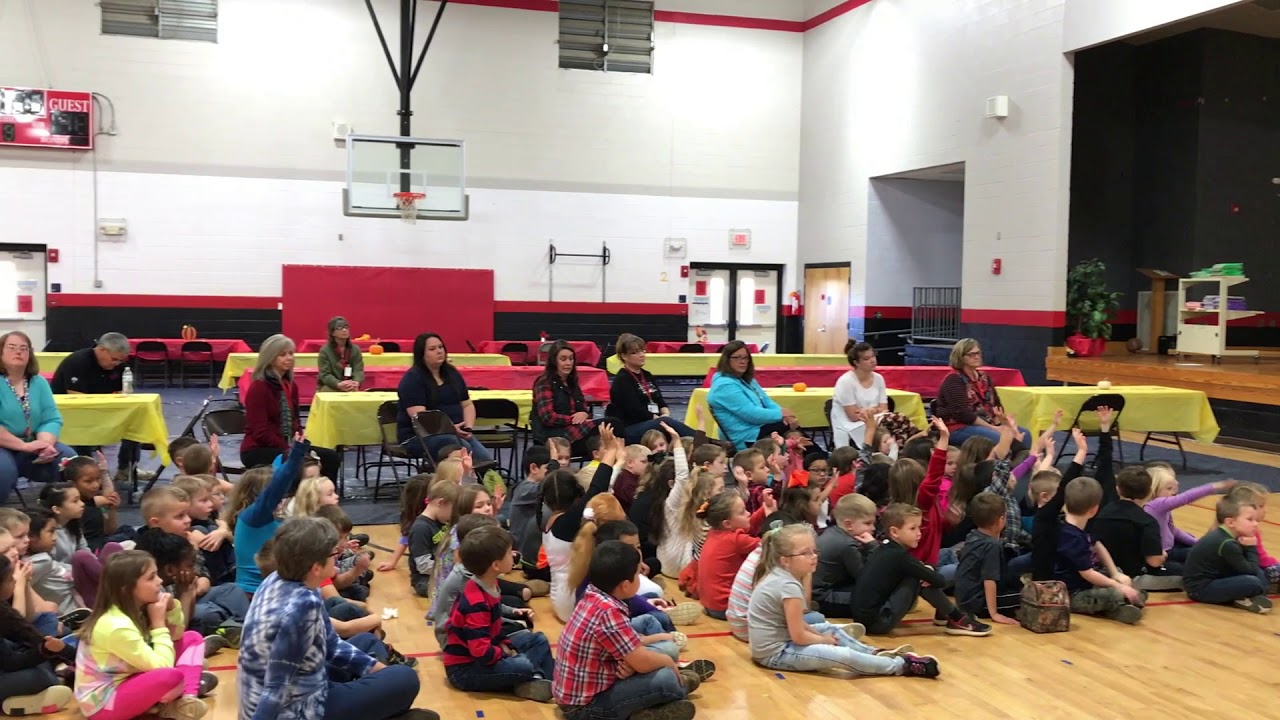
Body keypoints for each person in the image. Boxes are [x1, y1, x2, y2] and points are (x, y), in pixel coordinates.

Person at [237, 517, 437, 720]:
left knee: (368, 642)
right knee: (406, 678)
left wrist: (380, 673)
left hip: (305, 686)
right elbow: (276, 686)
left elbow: (331, 645)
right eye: (334, 552)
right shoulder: (299, 608)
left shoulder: (284, 580)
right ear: (316, 567)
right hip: (299, 709)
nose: (338, 555)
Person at [747, 524, 938, 679]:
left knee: (833, 629)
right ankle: (901, 665)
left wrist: (823, 635)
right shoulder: (788, 585)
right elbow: (798, 636)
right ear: (785, 560)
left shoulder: (783, 576)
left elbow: (799, 624)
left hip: (785, 640)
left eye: (814, 551)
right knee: (841, 656)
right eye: (805, 553)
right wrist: (824, 641)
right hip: (776, 654)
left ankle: (874, 653)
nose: (814, 557)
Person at [553, 541, 701, 720]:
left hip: (588, 687)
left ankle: (648, 708)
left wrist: (634, 664)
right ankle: (675, 688)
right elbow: (643, 661)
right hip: (584, 708)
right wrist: (668, 663)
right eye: (638, 574)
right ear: (624, 585)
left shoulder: (594, 594)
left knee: (663, 651)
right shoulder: (609, 612)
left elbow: (628, 649)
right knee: (666, 677)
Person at [73, 551, 208, 720]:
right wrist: (158, 624)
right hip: (104, 703)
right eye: (151, 578)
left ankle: (186, 699)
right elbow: (162, 667)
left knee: (192, 639)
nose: (160, 581)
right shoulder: (114, 625)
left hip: (132, 677)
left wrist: (172, 608)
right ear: (127, 589)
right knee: (171, 676)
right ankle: (177, 693)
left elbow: (177, 635)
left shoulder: (140, 607)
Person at [443, 525, 552, 701]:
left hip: (486, 651)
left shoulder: (490, 584)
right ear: (495, 565)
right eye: (509, 553)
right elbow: (480, 651)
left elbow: (494, 628)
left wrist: (505, 642)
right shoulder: (475, 601)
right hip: (465, 669)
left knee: (538, 640)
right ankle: (532, 678)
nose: (514, 555)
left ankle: (538, 680)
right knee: (522, 665)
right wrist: (506, 653)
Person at [850, 503, 991, 637]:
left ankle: (946, 613)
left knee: (918, 574)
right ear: (894, 532)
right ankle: (957, 618)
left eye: (919, 528)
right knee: (917, 578)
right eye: (913, 528)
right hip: (878, 623)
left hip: (864, 620)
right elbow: (939, 581)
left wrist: (924, 569)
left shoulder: (884, 548)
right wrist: (926, 570)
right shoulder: (900, 556)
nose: (919, 533)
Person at [49, 333, 152, 484]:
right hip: (71, 415)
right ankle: (87, 473)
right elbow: (76, 400)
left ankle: (126, 468)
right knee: (83, 430)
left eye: (120, 360)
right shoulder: (77, 362)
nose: (116, 363)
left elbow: (122, 393)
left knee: (135, 423)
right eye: (114, 359)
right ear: (102, 350)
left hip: (101, 410)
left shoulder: (120, 365)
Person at [240, 335, 340, 481]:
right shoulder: (259, 387)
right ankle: (299, 498)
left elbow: (296, 421)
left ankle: (322, 498)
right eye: (282, 355)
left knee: (330, 458)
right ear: (270, 358)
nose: (289, 358)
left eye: (291, 353)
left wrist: (299, 440)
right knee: (301, 463)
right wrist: (290, 449)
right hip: (259, 448)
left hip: (286, 444)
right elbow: (260, 432)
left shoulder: (291, 385)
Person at [1051, 476, 1147, 624]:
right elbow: (1087, 573)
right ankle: (1124, 603)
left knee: (1120, 573)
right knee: (1116, 593)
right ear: (1094, 509)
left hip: (1089, 583)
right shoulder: (1071, 537)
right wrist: (1118, 586)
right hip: (1073, 595)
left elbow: (1097, 545)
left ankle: (1123, 604)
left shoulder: (1083, 525)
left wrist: (1115, 573)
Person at [0, 332, 75, 504]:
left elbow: (51, 418)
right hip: (6, 445)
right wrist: (24, 446)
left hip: (34, 443)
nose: (18, 352)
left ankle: (63, 513)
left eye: (23, 348)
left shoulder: (39, 382)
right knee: (3, 471)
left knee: (70, 461)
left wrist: (45, 444)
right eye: (11, 348)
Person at [228, 440, 308, 596]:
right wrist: (297, 452)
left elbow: (278, 471)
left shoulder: (269, 519)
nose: (282, 497)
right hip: (254, 593)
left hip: (276, 587)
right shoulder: (254, 518)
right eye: (279, 495)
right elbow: (278, 485)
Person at [396, 333, 492, 462]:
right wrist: (451, 429)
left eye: (441, 347)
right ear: (422, 355)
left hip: (456, 434)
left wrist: (468, 428)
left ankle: (479, 480)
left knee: (485, 460)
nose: (439, 351)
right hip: (419, 436)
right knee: (462, 449)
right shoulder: (413, 379)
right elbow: (421, 418)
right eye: (432, 349)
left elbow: (467, 404)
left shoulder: (452, 374)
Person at [932, 339, 1027, 453]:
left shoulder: (984, 377)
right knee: (997, 438)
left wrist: (1002, 423)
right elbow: (962, 414)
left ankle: (1019, 465)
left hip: (987, 423)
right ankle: (1002, 466)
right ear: (960, 357)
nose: (976, 357)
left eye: (978, 353)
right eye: (971, 354)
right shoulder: (953, 380)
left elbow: (996, 404)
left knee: (1025, 435)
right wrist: (994, 428)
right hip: (958, 426)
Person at [532, 341, 621, 457]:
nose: (568, 363)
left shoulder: (572, 382)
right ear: (554, 362)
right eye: (563, 359)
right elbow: (548, 417)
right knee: (612, 425)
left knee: (613, 427)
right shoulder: (544, 383)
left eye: (571, 359)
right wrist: (573, 419)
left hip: (576, 430)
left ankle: (616, 462)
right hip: (555, 436)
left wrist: (584, 414)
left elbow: (582, 408)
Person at [1183, 497, 1272, 613]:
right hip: (1200, 589)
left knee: (1259, 577)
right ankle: (1243, 598)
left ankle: (1244, 597)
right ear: (1230, 522)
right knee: (1254, 582)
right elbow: (1250, 570)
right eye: (1250, 520)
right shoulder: (1227, 543)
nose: (1255, 524)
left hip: (1216, 578)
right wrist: (1251, 547)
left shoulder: (1226, 535)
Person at [706, 341, 797, 451]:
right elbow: (751, 415)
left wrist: (785, 414)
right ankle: (813, 460)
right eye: (737, 358)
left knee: (790, 425)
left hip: (758, 428)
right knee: (788, 426)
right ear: (726, 360)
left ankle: (810, 460)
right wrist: (781, 413)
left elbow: (767, 402)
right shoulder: (724, 386)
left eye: (745, 358)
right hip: (746, 437)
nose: (743, 362)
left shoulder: (747, 379)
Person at [608, 334, 694, 444]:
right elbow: (634, 411)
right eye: (635, 353)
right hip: (630, 427)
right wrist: (660, 420)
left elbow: (660, 401)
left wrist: (665, 413)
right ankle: (706, 441)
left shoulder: (647, 375)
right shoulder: (622, 380)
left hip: (653, 421)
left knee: (670, 425)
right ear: (624, 356)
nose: (642, 355)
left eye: (643, 351)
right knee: (667, 424)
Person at [953, 492, 1021, 624]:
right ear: (1001, 520)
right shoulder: (991, 546)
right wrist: (994, 614)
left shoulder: (973, 534)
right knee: (1026, 597)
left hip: (964, 598)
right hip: (977, 604)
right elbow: (989, 580)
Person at [813, 494, 878, 618]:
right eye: (868, 523)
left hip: (824, 591)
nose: (873, 528)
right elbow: (866, 578)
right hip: (823, 598)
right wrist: (873, 546)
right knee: (878, 599)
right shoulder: (847, 545)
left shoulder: (833, 531)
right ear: (849, 524)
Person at [317, 316, 364, 393]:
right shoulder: (325, 351)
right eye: (340, 328)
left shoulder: (355, 350)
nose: (344, 330)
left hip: (350, 386)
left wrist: (356, 382)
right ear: (332, 333)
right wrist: (338, 384)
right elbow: (325, 374)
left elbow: (358, 370)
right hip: (330, 386)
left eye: (346, 327)